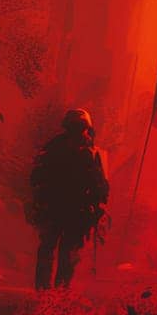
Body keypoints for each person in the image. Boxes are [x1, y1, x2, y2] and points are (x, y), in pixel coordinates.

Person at [28, 109, 109, 290]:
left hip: (75, 210)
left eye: (80, 127)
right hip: (55, 207)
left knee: (68, 254)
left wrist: (99, 204)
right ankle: (44, 292)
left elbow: (100, 184)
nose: (78, 131)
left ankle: (59, 292)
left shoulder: (91, 152)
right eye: (75, 127)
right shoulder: (54, 148)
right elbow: (37, 177)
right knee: (49, 250)